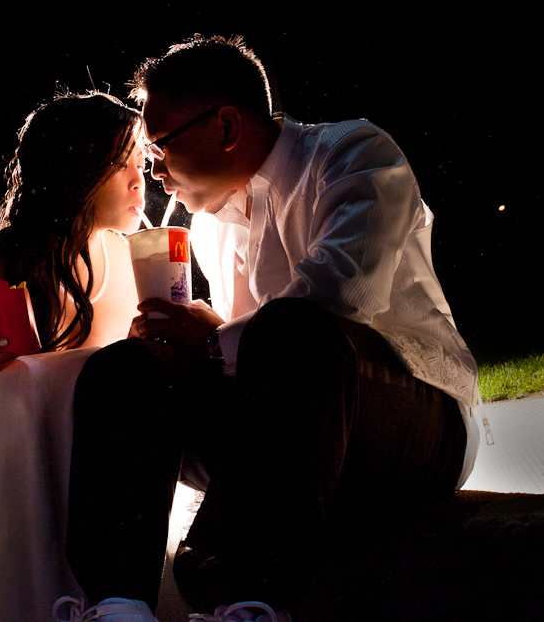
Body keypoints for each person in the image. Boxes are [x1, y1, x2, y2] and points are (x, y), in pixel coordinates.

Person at [57, 36, 487, 622]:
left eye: (158, 147)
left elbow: (341, 290)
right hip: (289, 434)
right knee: (125, 368)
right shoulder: (208, 226)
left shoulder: (353, 154)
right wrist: (181, 347)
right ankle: (118, 602)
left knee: (293, 331)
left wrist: (212, 340)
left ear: (227, 126)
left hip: (409, 422)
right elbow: (238, 368)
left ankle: (254, 599)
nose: (153, 173)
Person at [0, 91, 148, 622]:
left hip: (107, 488)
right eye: (123, 165)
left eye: (142, 162)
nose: (141, 180)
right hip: (16, 497)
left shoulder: (132, 256)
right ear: (78, 170)